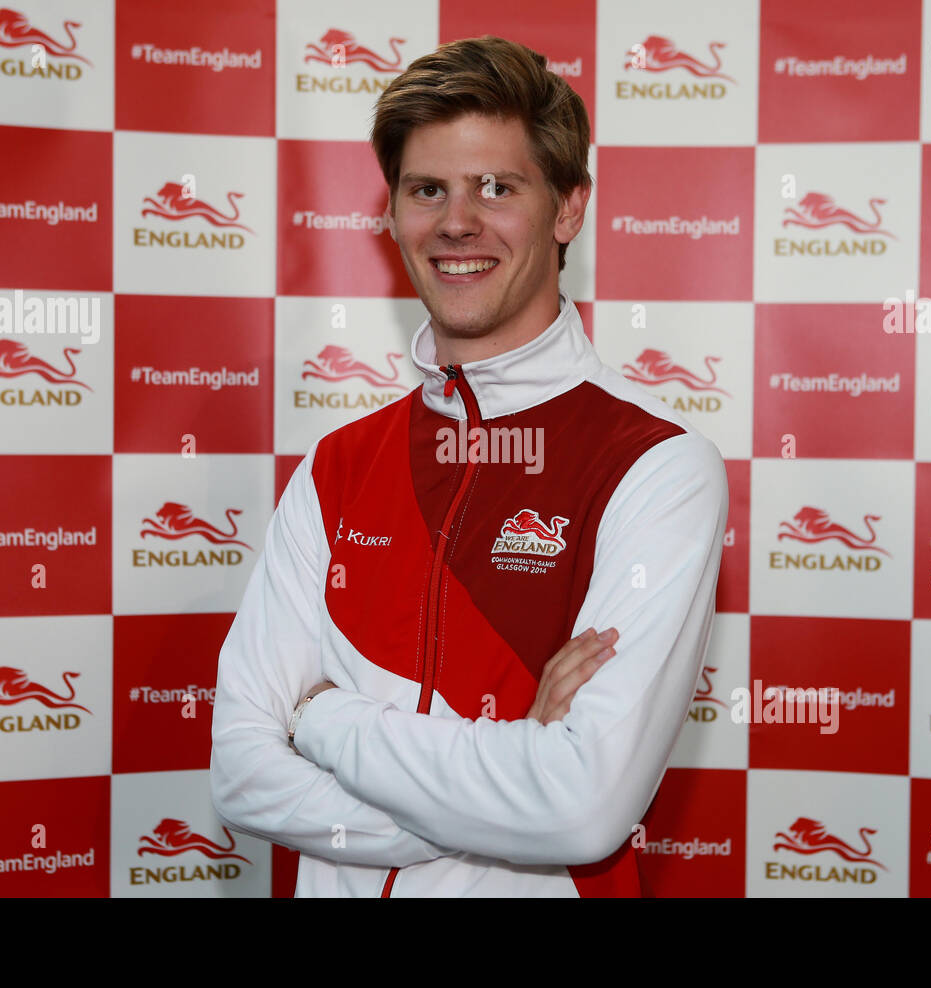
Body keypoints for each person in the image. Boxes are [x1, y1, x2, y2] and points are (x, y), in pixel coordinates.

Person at [210, 35, 728, 897]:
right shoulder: (337, 467)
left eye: (497, 187)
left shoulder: (659, 468)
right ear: (393, 215)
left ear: (568, 209)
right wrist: (494, 795)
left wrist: (325, 719)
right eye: (427, 190)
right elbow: (240, 773)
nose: (457, 221)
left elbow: (579, 809)